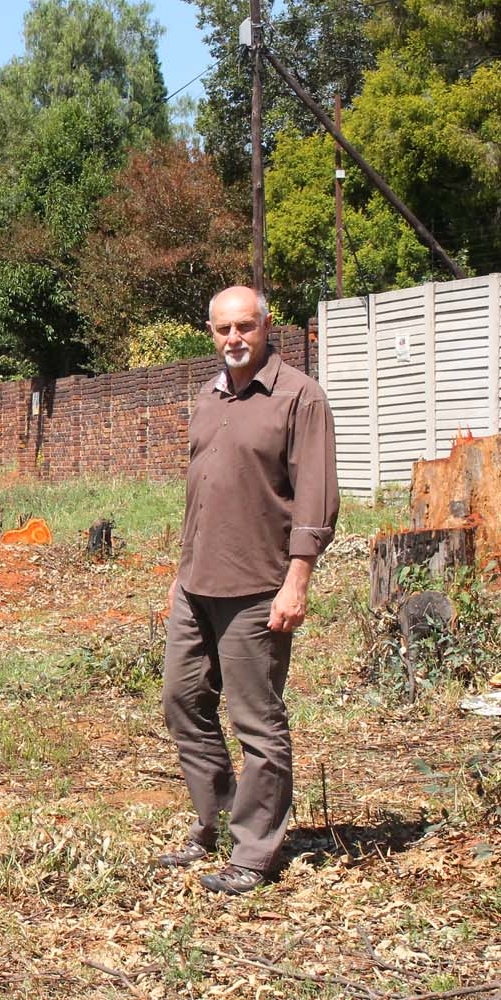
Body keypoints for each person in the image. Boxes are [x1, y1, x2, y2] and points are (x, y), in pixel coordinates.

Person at [156, 285, 338, 895]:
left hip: (259, 586)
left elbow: (315, 498)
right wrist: (180, 576)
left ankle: (256, 852)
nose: (233, 339)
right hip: (196, 583)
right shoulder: (208, 399)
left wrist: (298, 580)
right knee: (183, 702)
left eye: (244, 327)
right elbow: (199, 495)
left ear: (266, 327)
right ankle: (216, 820)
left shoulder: (299, 397)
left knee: (255, 719)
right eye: (221, 330)